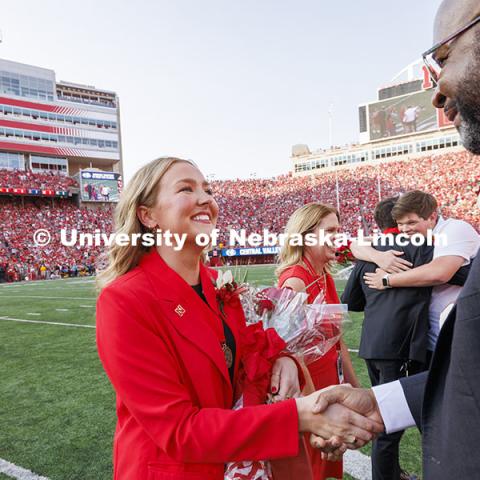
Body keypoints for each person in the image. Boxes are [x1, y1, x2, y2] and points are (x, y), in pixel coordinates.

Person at [95, 157, 382, 480]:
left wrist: (284, 359)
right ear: (148, 216)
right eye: (186, 189)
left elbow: (247, 350)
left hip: (237, 465)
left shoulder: (217, 282)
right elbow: (178, 431)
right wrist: (298, 416)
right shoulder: (124, 299)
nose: (206, 198)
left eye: (208, 189)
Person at [311, 1, 480, 478]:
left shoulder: (455, 234)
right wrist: (381, 403)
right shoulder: (393, 245)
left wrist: (386, 279)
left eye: (444, 58)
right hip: (395, 350)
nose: (436, 93)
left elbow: (440, 272)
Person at [341, 196, 470, 480]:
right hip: (400, 345)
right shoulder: (424, 248)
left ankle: (393, 473)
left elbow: (351, 301)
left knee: (391, 411)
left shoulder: (369, 251)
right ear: (399, 223)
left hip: (372, 343)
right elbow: (457, 275)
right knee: (395, 417)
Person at [276, 202, 360, 480]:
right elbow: (286, 353)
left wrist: (355, 388)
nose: (337, 236)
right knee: (310, 467)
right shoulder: (294, 282)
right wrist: (316, 399)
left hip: (330, 382)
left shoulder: (325, 276)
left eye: (339, 229)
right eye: (330, 230)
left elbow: (337, 340)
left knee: (325, 467)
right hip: (309, 392)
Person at [355, 190, 479, 354]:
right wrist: (378, 257)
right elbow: (357, 244)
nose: (404, 229)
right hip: (430, 336)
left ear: (432, 216)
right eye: (400, 223)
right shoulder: (417, 236)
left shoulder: (454, 229)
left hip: (462, 330)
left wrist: (387, 280)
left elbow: (440, 273)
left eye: (411, 222)